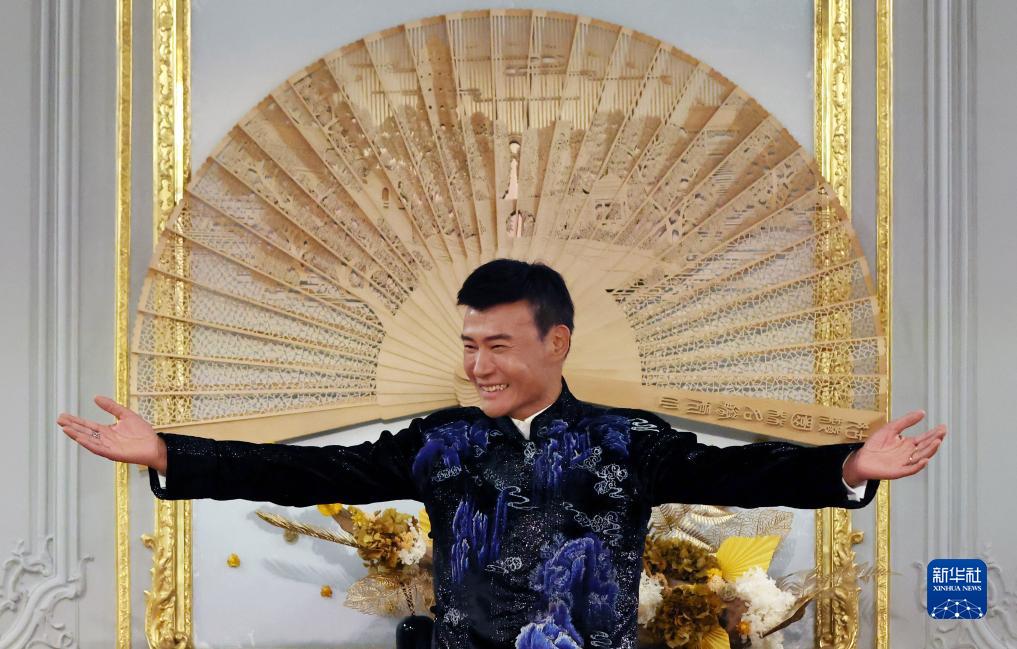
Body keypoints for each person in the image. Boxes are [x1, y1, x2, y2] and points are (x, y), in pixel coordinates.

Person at [58, 259, 946, 649]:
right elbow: (309, 473)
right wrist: (168, 450)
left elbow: (737, 470)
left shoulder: (626, 440)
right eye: (469, 345)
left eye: (497, 345)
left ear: (555, 342)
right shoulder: (440, 442)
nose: (477, 364)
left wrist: (846, 466)